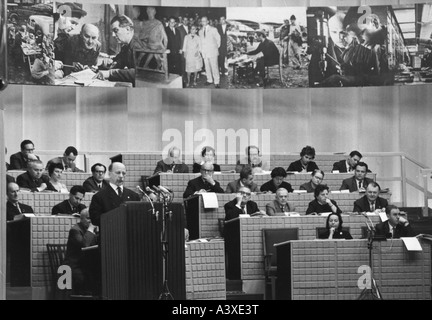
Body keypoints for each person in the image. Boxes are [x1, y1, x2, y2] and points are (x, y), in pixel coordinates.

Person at [97, 15, 145, 86]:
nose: (113, 35)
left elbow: (139, 73)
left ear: (128, 29)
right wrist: (108, 64)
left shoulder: (137, 46)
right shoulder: (126, 46)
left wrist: (110, 73)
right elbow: (119, 61)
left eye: (116, 30)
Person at [89, 162, 141, 227]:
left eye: (123, 173)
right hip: (110, 233)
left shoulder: (134, 196)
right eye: (118, 173)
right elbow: (95, 220)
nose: (121, 176)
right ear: (109, 174)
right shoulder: (99, 197)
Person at [63, 208, 99, 295]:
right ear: (81, 218)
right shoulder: (75, 230)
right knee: (85, 279)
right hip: (74, 265)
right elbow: (85, 245)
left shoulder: (93, 230)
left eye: (91, 218)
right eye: (88, 218)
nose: (90, 221)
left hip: (86, 264)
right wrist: (90, 230)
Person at [140, 6, 168, 71]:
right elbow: (165, 38)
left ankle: (146, 66)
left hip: (152, 46)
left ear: (154, 12)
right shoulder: (148, 23)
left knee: (154, 51)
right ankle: (157, 66)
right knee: (154, 51)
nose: (149, 13)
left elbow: (165, 38)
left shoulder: (157, 23)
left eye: (150, 11)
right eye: (148, 12)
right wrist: (164, 48)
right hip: (152, 46)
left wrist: (165, 48)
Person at [199, 16, 221, 88]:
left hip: (212, 52)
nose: (203, 22)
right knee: (207, 67)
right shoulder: (200, 31)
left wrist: (214, 48)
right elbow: (200, 42)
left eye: (204, 21)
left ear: (208, 21)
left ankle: (216, 82)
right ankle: (209, 80)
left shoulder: (213, 29)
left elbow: (218, 40)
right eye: (202, 21)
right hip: (204, 53)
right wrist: (201, 50)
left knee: (214, 67)